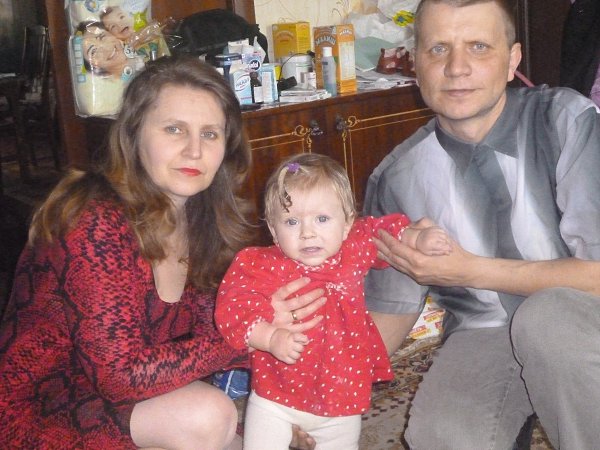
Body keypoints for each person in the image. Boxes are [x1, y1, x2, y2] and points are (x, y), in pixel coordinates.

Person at [0, 55, 323, 449]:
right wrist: (252, 334)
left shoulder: (203, 220)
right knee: (208, 416)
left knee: (257, 433)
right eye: (174, 129)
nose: (194, 150)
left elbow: (212, 335)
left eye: (210, 134)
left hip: (134, 402)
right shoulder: (94, 220)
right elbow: (121, 377)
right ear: (134, 134)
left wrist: (287, 399)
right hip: (37, 412)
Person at [363, 0, 600, 449]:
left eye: (478, 46)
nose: (457, 68)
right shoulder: (397, 178)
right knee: (439, 434)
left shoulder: (566, 121)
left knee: (547, 320)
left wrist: (469, 270)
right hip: (485, 330)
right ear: (415, 65)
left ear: (512, 61)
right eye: (438, 49)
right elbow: (390, 308)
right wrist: (319, 393)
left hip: (583, 315)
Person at [215, 153, 451, 450]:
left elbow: (382, 231)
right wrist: (269, 336)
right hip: (275, 398)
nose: (307, 233)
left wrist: (417, 239)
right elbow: (233, 307)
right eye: (291, 221)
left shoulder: (354, 247)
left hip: (342, 399)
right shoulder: (261, 265)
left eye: (322, 219)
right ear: (273, 230)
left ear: (347, 222)